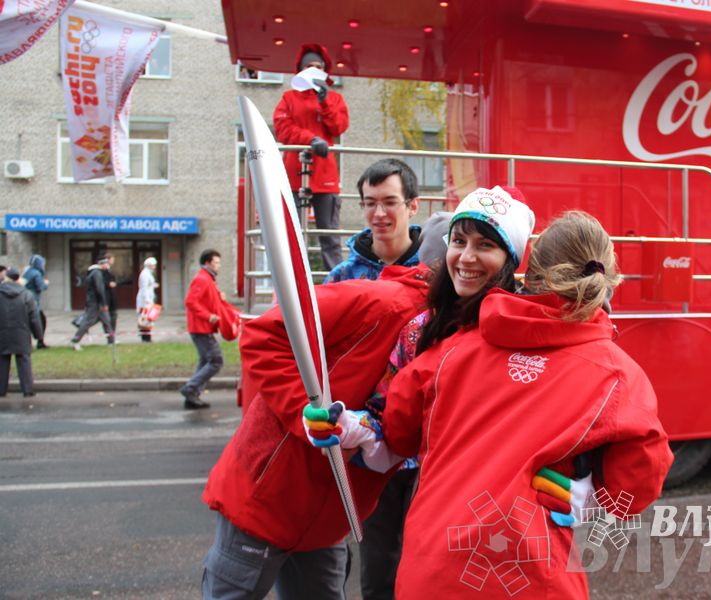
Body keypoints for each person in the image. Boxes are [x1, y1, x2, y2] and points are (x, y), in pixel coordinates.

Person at [313, 210, 673, 599]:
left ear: (528, 274)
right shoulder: (617, 374)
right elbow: (639, 482)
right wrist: (591, 492)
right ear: (605, 285)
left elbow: (395, 434)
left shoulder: (451, 350)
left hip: (431, 572)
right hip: (533, 578)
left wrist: (354, 426)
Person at [200, 218, 450, 600]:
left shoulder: (450, 333)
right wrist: (306, 412)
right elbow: (265, 333)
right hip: (268, 497)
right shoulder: (380, 301)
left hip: (330, 513)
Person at [306, 186, 536, 600]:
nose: (466, 257)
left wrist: (580, 482)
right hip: (433, 501)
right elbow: (386, 417)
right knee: (385, 579)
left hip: (505, 516)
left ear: (510, 261)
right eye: (460, 242)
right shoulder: (419, 331)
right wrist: (348, 425)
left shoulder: (532, 335)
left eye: (485, 246)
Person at [274, 43, 349, 271]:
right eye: (309, 66)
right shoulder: (289, 98)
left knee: (329, 234)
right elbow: (282, 128)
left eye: (318, 66)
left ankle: (334, 281)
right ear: (300, 69)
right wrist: (310, 139)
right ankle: (293, 279)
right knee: (293, 231)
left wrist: (325, 102)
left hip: (325, 175)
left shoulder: (334, 99)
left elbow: (339, 126)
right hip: (296, 172)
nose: (313, 70)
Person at [325, 159, 422, 283]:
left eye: (390, 203)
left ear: (413, 206)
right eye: (370, 203)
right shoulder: (342, 276)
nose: (379, 213)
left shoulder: (434, 271)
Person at [182, 250, 233, 410]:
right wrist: (208, 316)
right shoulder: (202, 279)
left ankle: (193, 395)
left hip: (202, 327)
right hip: (200, 327)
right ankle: (190, 389)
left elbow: (205, 299)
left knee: (206, 360)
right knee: (216, 360)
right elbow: (191, 301)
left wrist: (219, 298)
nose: (219, 266)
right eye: (216, 262)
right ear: (208, 263)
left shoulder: (208, 279)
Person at [0, 268, 43, 398]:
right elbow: (34, 318)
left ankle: (1, 390)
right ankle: (27, 389)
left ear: (6, 278)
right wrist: (39, 336)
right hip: (22, 333)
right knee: (24, 360)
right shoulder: (26, 294)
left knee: (2, 361)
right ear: (18, 278)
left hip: (2, 334)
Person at [71, 254, 115, 350]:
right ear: (102, 264)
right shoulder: (97, 273)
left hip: (96, 302)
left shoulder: (95, 273)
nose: (108, 265)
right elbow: (100, 289)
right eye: (107, 263)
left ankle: (111, 341)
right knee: (88, 321)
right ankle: (75, 340)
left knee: (107, 321)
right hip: (95, 303)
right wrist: (103, 303)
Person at [22, 254, 49, 349]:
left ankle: (30, 343)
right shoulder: (37, 273)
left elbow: (21, 284)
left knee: (28, 322)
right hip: (33, 302)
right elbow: (40, 287)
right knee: (40, 321)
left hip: (24, 300)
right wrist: (45, 284)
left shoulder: (27, 272)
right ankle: (40, 342)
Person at [137, 257, 160, 343]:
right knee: (145, 319)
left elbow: (149, 285)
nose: (154, 267)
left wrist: (154, 285)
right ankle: (145, 338)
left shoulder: (148, 273)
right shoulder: (144, 274)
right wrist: (146, 299)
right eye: (153, 265)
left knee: (149, 318)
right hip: (144, 301)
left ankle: (148, 336)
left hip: (149, 299)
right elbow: (144, 288)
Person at [101, 254, 118, 345]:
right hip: (106, 299)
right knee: (107, 319)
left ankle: (112, 337)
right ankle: (110, 338)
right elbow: (102, 283)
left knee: (113, 317)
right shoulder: (102, 272)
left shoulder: (109, 271)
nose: (113, 261)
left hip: (112, 298)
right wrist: (108, 284)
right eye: (112, 259)